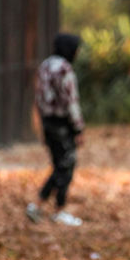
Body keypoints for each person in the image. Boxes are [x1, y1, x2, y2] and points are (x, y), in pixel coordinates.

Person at [26, 32, 85, 226]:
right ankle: (57, 209)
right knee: (66, 165)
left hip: (47, 122)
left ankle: (37, 205)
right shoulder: (64, 69)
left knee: (59, 165)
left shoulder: (45, 65)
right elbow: (70, 101)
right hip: (62, 123)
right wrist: (78, 129)